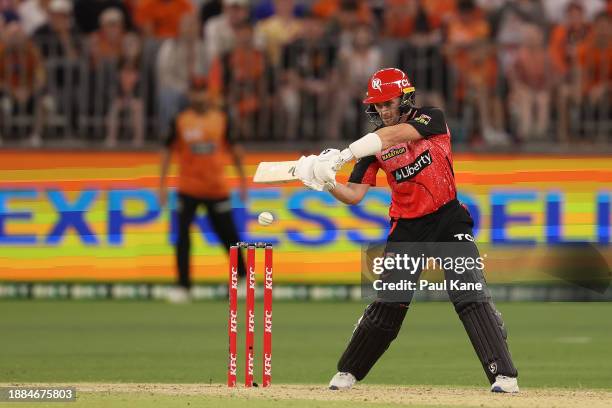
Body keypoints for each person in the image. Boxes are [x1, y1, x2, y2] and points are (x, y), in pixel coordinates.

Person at [294, 68, 519, 392]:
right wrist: (326, 181)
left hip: (447, 218)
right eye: (379, 106)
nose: (384, 111)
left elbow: (394, 136)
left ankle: (504, 376)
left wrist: (343, 154)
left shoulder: (430, 118)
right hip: (407, 229)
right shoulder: (372, 146)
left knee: (468, 291)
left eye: (390, 103)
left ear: (405, 98)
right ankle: (348, 372)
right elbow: (354, 195)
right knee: (390, 303)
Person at [159, 78, 247, 303]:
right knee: (182, 236)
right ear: (189, 95)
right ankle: (183, 286)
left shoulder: (221, 119)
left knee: (228, 236)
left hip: (216, 187)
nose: (198, 96)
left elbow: (236, 151)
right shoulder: (180, 120)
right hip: (187, 188)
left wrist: (243, 181)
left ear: (209, 93)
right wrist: (161, 185)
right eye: (195, 92)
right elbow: (167, 152)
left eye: (202, 91)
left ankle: (243, 279)